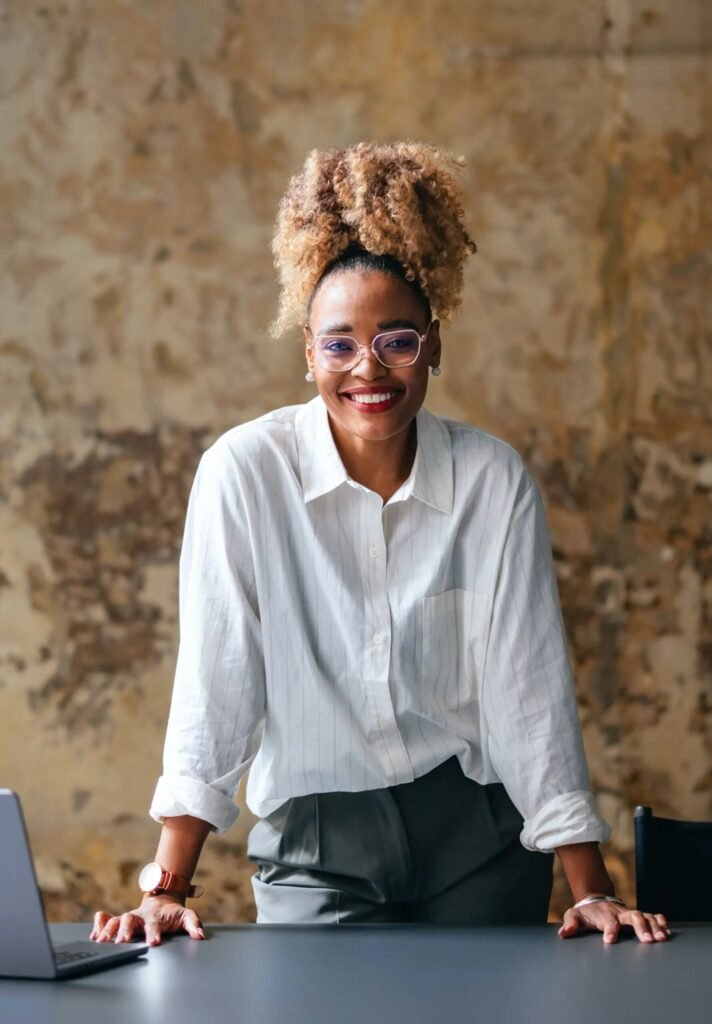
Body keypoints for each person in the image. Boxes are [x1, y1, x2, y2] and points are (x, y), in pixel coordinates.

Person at [91, 141, 669, 946]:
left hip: (479, 837)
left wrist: (591, 889)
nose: (370, 368)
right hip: (318, 840)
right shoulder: (245, 475)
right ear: (307, 354)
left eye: (397, 339)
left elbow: (527, 691)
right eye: (339, 344)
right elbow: (216, 685)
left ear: (432, 341)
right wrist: (167, 883)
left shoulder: (492, 484)